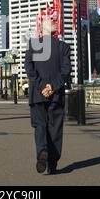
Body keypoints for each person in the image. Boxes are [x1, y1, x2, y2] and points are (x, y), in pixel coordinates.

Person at [25, 18, 71, 175]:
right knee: (55, 128)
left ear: (40, 29)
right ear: (54, 30)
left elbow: (29, 70)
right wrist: (53, 87)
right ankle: (52, 163)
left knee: (40, 125)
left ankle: (42, 151)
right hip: (56, 94)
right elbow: (65, 71)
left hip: (37, 94)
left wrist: (41, 86)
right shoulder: (63, 47)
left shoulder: (32, 45)